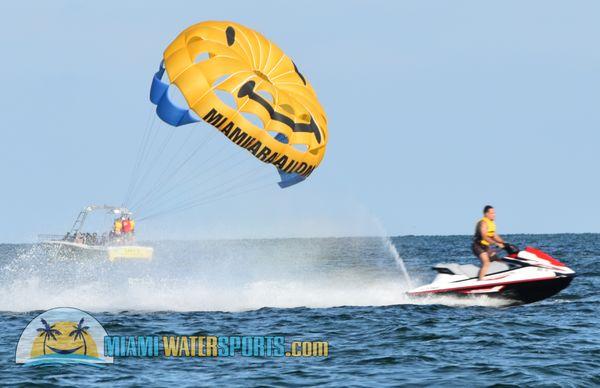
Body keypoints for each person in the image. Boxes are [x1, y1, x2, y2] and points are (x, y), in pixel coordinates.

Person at [472, 205, 505, 280]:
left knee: (499, 261)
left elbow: (495, 236)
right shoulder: (483, 223)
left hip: (486, 247)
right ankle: (480, 281)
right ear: (486, 214)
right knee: (486, 262)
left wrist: (504, 243)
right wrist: (496, 244)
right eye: (492, 213)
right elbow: (484, 236)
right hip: (478, 246)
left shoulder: (492, 223)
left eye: (494, 213)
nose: (494, 214)